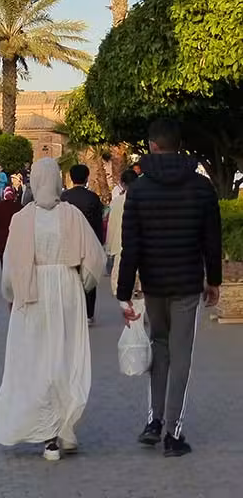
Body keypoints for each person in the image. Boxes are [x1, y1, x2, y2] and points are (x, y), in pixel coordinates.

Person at [117, 118, 222, 457]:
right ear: (180, 145)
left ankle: (154, 421)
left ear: (152, 145)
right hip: (187, 285)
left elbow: (130, 245)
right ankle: (174, 434)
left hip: (154, 285)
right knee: (181, 357)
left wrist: (123, 292)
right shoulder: (202, 189)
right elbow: (212, 240)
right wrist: (215, 280)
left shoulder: (139, 190)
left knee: (158, 351)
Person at [0, 158, 105, 460]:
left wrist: (11, 294)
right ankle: (63, 429)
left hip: (33, 292)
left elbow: (12, 267)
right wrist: (81, 282)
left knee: (37, 359)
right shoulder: (72, 215)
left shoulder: (22, 219)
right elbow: (95, 258)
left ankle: (51, 435)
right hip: (66, 290)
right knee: (64, 358)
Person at [61, 164, 105, 325]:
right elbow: (98, 223)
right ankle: (88, 313)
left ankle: (72, 311)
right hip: (89, 242)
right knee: (89, 278)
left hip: (68, 243)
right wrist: (100, 244)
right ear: (87, 177)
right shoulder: (93, 197)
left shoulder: (64, 197)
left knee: (70, 278)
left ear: (71, 178)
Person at [105, 169, 138, 295]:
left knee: (121, 286)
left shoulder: (116, 202)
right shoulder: (145, 199)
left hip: (120, 247)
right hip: (140, 249)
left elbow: (111, 226)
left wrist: (109, 247)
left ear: (122, 183)